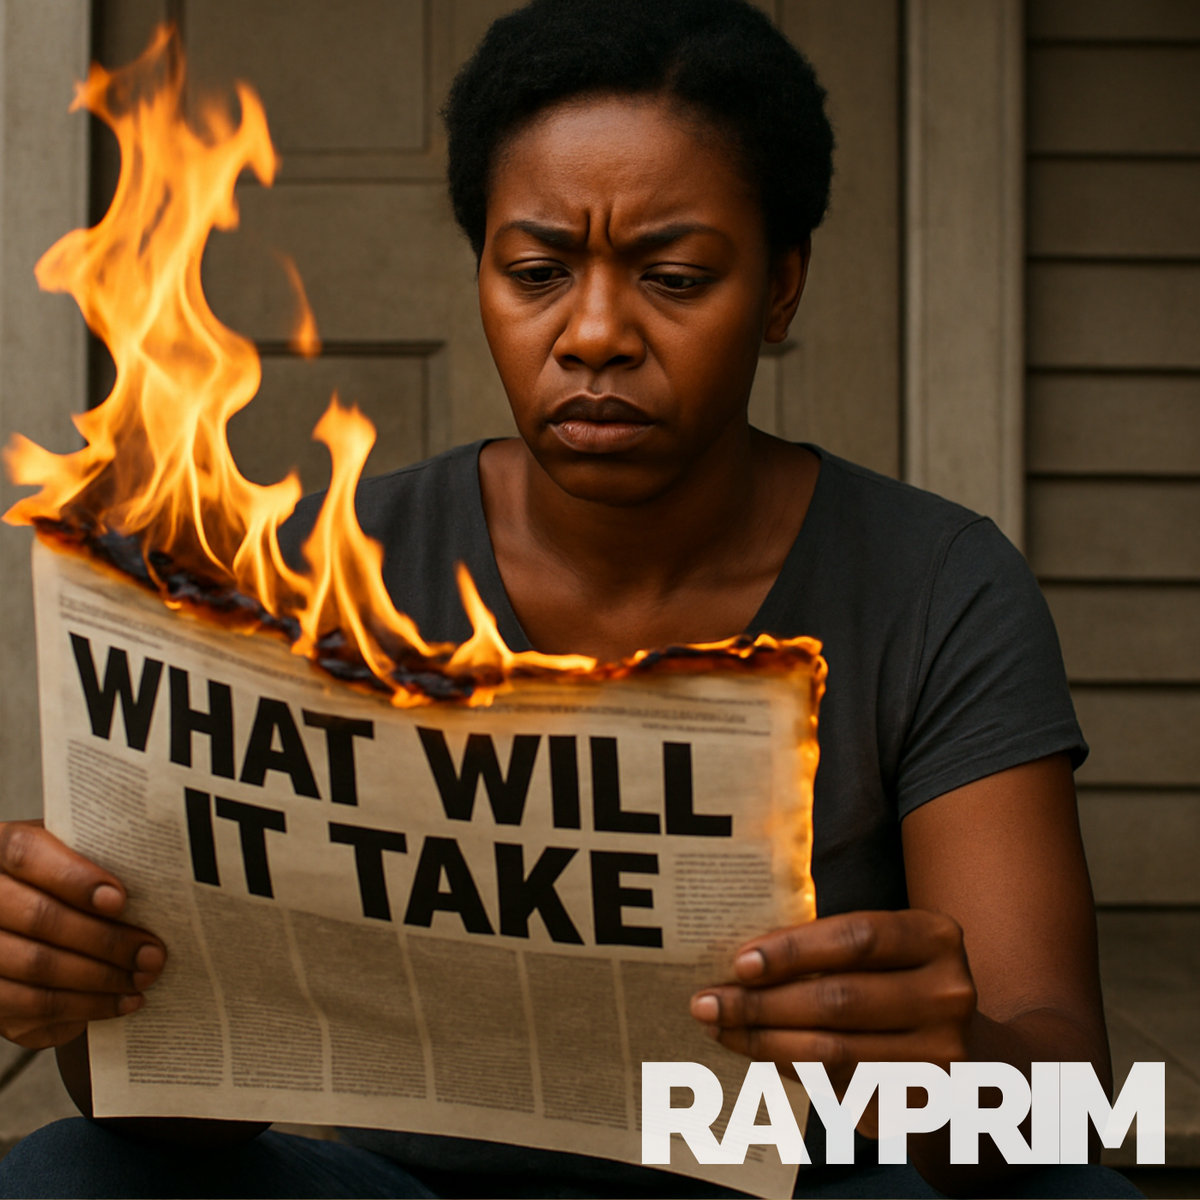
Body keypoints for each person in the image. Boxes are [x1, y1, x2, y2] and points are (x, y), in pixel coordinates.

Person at [0, 1, 1143, 1196]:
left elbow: (1068, 1103)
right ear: (483, 278)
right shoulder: (327, 566)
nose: (595, 334)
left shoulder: (936, 584)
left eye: (676, 277)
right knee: (73, 1172)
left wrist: (954, 1073)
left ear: (781, 288)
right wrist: (82, 989)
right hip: (418, 1195)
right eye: (538, 274)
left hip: (807, 1187)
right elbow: (172, 1113)